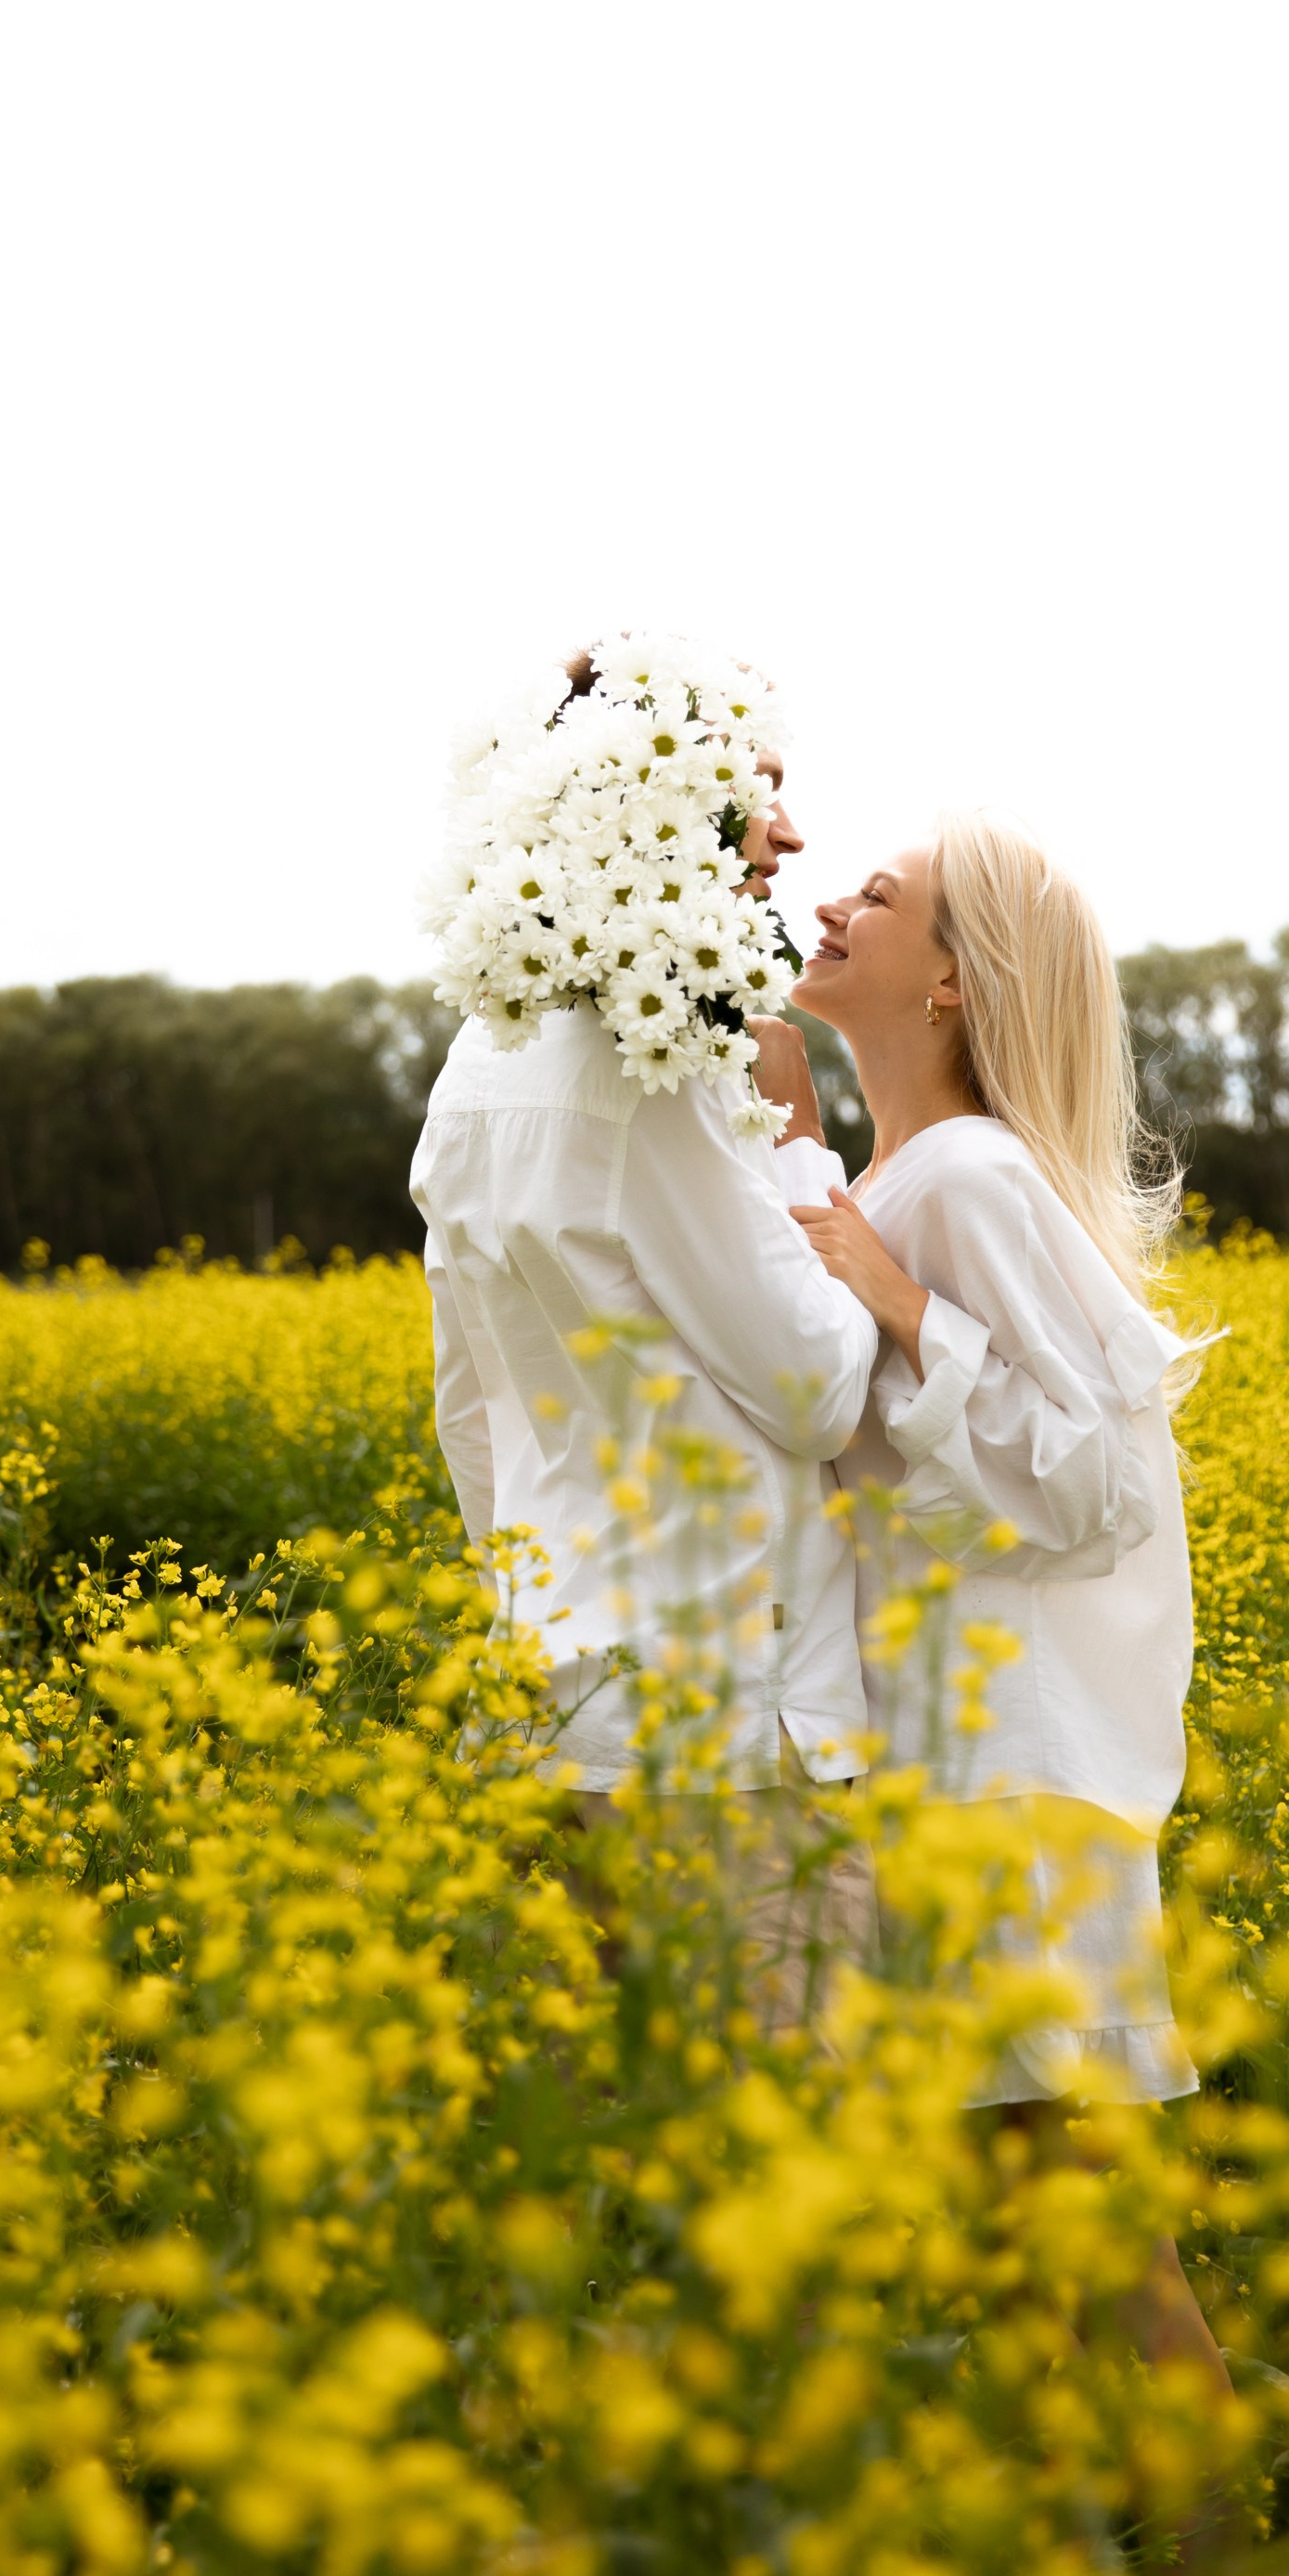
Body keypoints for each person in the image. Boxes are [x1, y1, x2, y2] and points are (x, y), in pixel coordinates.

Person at [751, 811, 1227, 2388]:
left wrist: (900, 1311)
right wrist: (796, 1142)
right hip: (944, 1762)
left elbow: (1096, 1479)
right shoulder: (901, 1172)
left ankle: (1222, 2554)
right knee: (1025, 2225)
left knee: (1092, 2227)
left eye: (876, 896)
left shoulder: (966, 1176)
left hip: (1012, 1766)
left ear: (952, 983)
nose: (830, 898)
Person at [410, 650, 881, 2022]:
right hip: (722, 1738)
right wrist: (799, 1150)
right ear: (648, 802)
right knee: (792, 2186)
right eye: (760, 794)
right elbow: (815, 1392)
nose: (788, 838)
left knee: (589, 2193)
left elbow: (471, 1417)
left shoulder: (474, 1064)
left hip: (550, 1715)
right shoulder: (661, 1066)